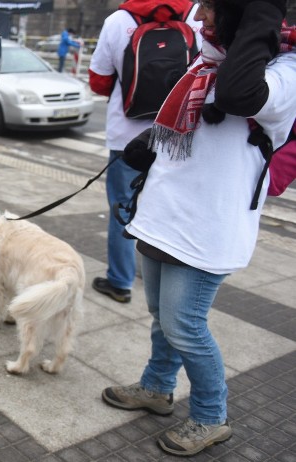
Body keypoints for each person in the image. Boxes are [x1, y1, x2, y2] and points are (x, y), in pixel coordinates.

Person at [101, 0, 295, 456]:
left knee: (185, 324)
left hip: (208, 225)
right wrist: (150, 143)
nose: (200, 16)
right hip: (165, 212)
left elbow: (236, 97)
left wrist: (258, 10)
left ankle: (211, 416)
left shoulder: (284, 73)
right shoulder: (210, 58)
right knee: (160, 316)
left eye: (212, 8)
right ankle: (157, 387)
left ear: (246, 17)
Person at [88, 0, 200, 303]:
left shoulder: (118, 20)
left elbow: (98, 82)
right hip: (177, 134)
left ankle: (120, 281)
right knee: (171, 207)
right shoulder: (196, 16)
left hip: (127, 134)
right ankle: (165, 282)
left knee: (122, 208)